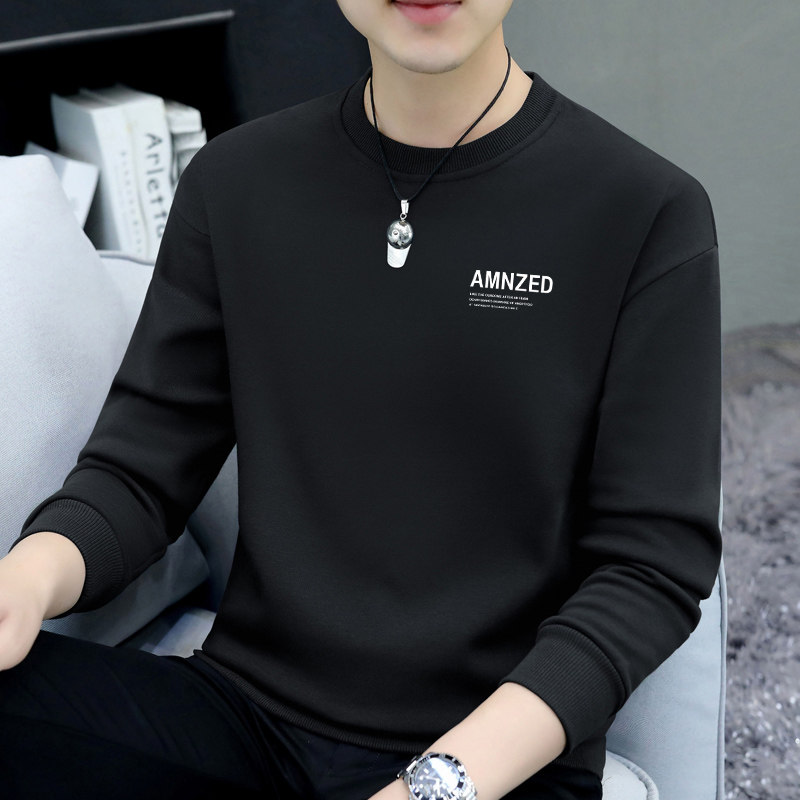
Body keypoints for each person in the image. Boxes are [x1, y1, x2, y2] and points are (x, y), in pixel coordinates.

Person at [0, 1, 723, 798]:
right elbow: (140, 471)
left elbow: (650, 566)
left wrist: (437, 785)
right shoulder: (237, 181)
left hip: (489, 765)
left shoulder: (643, 210)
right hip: (245, 719)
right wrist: (26, 580)